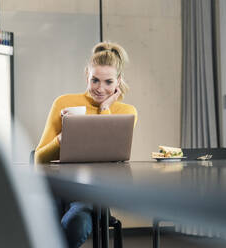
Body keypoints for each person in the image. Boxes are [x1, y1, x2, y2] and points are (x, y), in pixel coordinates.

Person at [35, 41, 138, 248]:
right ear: (86, 75)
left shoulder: (127, 112)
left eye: (108, 82)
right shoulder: (63, 103)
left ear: (118, 81)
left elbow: (112, 158)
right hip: (62, 190)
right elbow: (39, 158)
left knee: (75, 224)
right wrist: (63, 138)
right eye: (95, 80)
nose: (100, 89)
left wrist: (105, 108)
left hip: (95, 193)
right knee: (62, 222)